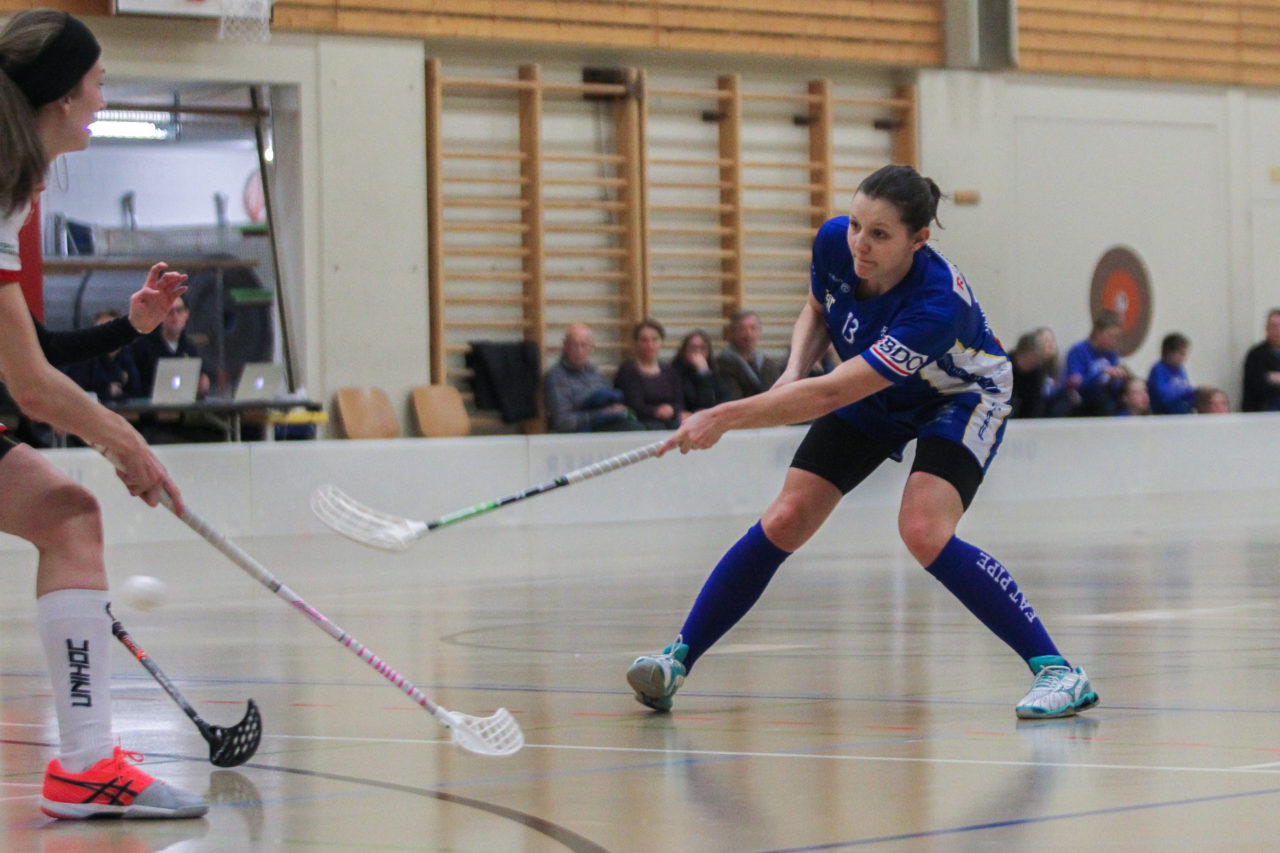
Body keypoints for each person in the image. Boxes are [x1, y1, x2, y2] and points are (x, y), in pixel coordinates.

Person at [626, 164, 1098, 721]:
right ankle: (675, 661)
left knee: (923, 530)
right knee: (787, 517)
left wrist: (724, 416)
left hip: (960, 397)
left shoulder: (936, 307)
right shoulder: (835, 244)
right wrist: (792, 369)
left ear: (918, 240)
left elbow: (828, 396)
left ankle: (1058, 671)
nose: (860, 244)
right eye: (855, 225)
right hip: (878, 387)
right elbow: (819, 308)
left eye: (879, 235)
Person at [0, 8, 208, 819]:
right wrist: (126, 442)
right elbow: (31, 387)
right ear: (59, 97)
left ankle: (88, 766)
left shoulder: (14, 190)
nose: (102, 92)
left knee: (68, 518)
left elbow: (25, 351)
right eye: (96, 78)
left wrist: (130, 328)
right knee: (74, 511)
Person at [544, 322, 642, 432]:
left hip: (604, 425)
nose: (579, 351)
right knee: (632, 429)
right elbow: (563, 422)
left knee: (638, 426)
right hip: (579, 434)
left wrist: (615, 410)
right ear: (565, 347)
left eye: (584, 345)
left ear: (591, 348)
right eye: (574, 345)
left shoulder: (595, 371)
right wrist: (601, 414)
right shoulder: (556, 376)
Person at [127, 296, 210, 400]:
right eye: (169, 312)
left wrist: (202, 383)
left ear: (186, 314)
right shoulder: (142, 347)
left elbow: (200, 377)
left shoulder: (190, 348)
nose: (175, 316)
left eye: (179, 311)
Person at [613, 319, 684, 429]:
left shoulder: (669, 371)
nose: (649, 345)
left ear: (661, 342)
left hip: (670, 420)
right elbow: (633, 405)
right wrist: (656, 411)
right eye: (644, 340)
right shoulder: (628, 371)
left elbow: (679, 401)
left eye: (654, 340)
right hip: (641, 422)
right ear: (636, 343)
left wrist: (672, 410)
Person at [63, 308, 144, 401]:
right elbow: (77, 392)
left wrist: (119, 395)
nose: (105, 335)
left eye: (110, 330)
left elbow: (137, 391)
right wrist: (106, 392)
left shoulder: (126, 355)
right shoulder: (82, 357)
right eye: (101, 330)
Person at [1062, 312, 1126, 416]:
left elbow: (1114, 389)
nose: (1114, 341)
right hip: (1082, 402)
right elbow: (1076, 383)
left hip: (1105, 400)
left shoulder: (1112, 355)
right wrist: (1101, 372)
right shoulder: (1078, 351)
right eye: (1111, 336)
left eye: (1117, 337)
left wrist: (1114, 379)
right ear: (1098, 332)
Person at [715, 309, 782, 399]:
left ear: (759, 332)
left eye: (753, 328)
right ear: (732, 332)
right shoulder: (722, 365)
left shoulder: (767, 364)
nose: (748, 334)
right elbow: (734, 399)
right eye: (742, 329)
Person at [672, 329, 731, 414]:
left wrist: (704, 372)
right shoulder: (675, 373)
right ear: (684, 351)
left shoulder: (715, 372)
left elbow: (727, 397)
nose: (698, 352)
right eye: (693, 348)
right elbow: (700, 403)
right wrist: (703, 375)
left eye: (702, 348)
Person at [1240, 308, 1280, 412]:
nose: (1277, 331)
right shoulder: (1256, 354)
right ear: (1267, 329)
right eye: (1274, 327)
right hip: (1264, 410)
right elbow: (1255, 385)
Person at [1146, 332, 1196, 415]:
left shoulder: (1181, 370)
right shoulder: (1158, 370)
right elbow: (1164, 396)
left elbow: (1187, 389)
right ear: (1169, 352)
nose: (1184, 358)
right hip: (1163, 414)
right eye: (1181, 354)